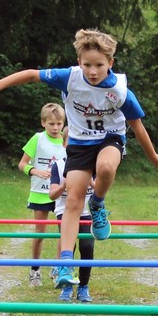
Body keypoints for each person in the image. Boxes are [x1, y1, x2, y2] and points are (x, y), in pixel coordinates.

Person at [0, 28, 158, 289]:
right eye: (87, 64)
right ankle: (65, 263)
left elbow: (137, 126)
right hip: (78, 143)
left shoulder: (121, 92)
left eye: (99, 65)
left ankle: (98, 204)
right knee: (74, 201)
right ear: (79, 62)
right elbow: (32, 74)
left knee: (106, 167)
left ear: (110, 64)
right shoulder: (69, 78)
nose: (92, 71)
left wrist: (154, 156)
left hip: (110, 139)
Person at [18, 103, 67, 287]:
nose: (55, 128)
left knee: (64, 233)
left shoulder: (66, 140)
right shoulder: (37, 139)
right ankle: (35, 271)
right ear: (43, 123)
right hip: (40, 193)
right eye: (51, 124)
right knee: (40, 234)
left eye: (59, 123)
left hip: (61, 194)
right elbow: (22, 164)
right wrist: (35, 171)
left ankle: (58, 269)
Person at [49, 126, 95, 302]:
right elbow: (52, 194)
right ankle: (67, 286)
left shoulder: (93, 164)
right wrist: (63, 186)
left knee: (87, 246)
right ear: (64, 144)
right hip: (65, 211)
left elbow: (101, 190)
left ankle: (83, 286)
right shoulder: (59, 166)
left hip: (86, 212)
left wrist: (89, 181)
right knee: (69, 246)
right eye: (71, 141)